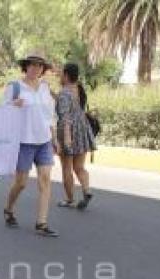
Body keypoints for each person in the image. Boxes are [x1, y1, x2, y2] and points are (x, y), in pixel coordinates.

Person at [2, 54, 59, 237]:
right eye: (32, 66)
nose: (36, 69)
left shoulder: (44, 88)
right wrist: (12, 104)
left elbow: (49, 115)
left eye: (39, 66)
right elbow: (1, 111)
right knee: (21, 183)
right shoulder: (15, 87)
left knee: (45, 180)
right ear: (25, 67)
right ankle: (9, 208)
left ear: (43, 69)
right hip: (24, 141)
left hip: (44, 141)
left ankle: (41, 223)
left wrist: (54, 138)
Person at [56, 63, 96, 210]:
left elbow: (65, 116)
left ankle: (70, 199)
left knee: (66, 167)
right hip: (83, 130)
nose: (60, 76)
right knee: (79, 167)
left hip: (69, 131)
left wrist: (66, 138)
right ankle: (87, 190)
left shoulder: (64, 93)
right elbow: (69, 105)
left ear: (66, 75)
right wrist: (51, 93)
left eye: (61, 73)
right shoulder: (78, 89)